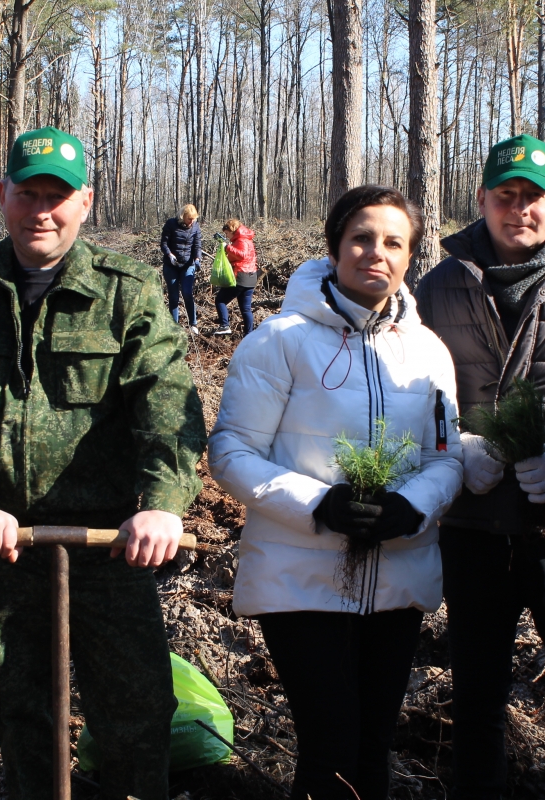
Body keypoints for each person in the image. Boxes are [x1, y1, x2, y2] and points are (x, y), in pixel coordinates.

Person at [0, 125, 207, 800]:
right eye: (29, 192)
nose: (42, 209)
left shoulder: (125, 291)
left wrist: (162, 503)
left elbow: (165, 401)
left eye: (59, 196)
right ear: (5, 196)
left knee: (135, 711)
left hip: (110, 546)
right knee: (23, 712)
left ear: (86, 202)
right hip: (0, 544)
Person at [210, 185, 463, 800]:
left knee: (373, 744)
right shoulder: (280, 341)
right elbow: (231, 453)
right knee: (331, 743)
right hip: (300, 579)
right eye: (362, 238)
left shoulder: (428, 351)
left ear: (410, 256)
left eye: (394, 242)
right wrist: (317, 504)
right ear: (334, 247)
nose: (376, 252)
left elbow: (447, 455)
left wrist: (415, 504)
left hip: (397, 577)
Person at [414, 134, 545, 800]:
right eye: (506, 196)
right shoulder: (439, 286)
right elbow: (410, 393)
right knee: (474, 697)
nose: (519, 209)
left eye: (534, 196)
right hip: (473, 527)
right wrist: (455, 449)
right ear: (482, 200)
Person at [160, 203, 202, 333]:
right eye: (189, 219)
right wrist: (169, 254)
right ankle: (174, 326)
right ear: (183, 216)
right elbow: (163, 243)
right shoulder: (171, 224)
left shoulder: (195, 226)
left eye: (193, 219)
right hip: (171, 265)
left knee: (187, 293)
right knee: (173, 297)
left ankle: (193, 324)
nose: (191, 221)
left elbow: (197, 245)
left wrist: (197, 258)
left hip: (187, 265)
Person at [213, 218, 257, 335]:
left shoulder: (241, 240)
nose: (226, 236)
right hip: (251, 277)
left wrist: (227, 247)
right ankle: (249, 335)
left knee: (220, 300)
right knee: (246, 309)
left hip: (240, 276)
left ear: (232, 230)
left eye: (227, 233)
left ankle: (224, 325)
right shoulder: (246, 239)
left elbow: (242, 255)